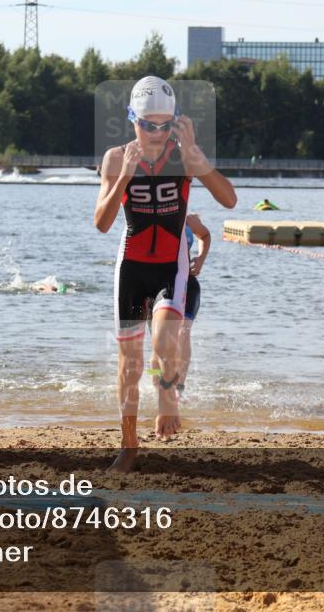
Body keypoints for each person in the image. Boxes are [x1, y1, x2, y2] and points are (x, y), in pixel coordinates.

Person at [94, 75, 237, 472]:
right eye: (146, 125)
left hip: (170, 265)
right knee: (128, 363)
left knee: (166, 338)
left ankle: (168, 397)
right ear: (131, 120)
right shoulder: (114, 157)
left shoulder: (184, 156)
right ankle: (129, 446)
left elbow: (229, 199)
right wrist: (124, 175)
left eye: (163, 125)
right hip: (131, 266)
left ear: (175, 122)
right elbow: (102, 223)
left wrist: (198, 159)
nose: (155, 134)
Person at [176, 213, 210, 394]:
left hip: (189, 285)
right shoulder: (153, 216)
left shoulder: (190, 219)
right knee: (160, 338)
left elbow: (205, 235)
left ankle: (180, 386)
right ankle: (157, 380)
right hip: (160, 287)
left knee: (183, 332)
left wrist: (201, 259)